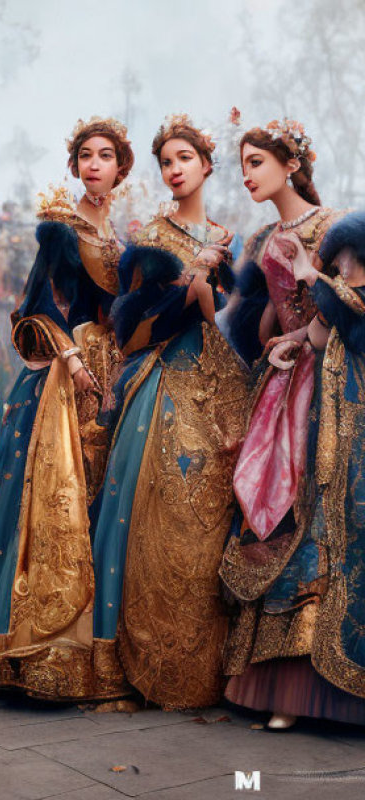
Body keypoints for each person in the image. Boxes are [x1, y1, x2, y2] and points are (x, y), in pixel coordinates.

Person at [0, 117, 134, 698]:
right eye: (85, 154)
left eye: (105, 155)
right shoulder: (61, 228)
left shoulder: (122, 237)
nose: (95, 164)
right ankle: (34, 647)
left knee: (100, 502)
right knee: (55, 500)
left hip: (113, 373)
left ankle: (97, 646)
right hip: (65, 373)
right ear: (75, 164)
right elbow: (34, 304)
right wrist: (74, 360)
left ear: (122, 168)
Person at [89, 115, 249, 711]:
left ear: (207, 166)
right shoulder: (150, 239)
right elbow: (130, 336)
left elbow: (237, 324)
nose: (175, 169)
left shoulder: (229, 237)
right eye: (166, 161)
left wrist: (217, 286)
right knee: (155, 516)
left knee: (211, 520)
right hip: (164, 387)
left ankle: (206, 670)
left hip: (223, 390)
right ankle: (138, 663)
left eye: (185, 158)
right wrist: (190, 284)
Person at [220, 120, 354, 729]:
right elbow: (268, 322)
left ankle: (321, 676)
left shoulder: (333, 228)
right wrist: (273, 345)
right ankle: (279, 684)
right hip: (285, 382)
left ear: (288, 164)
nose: (246, 173)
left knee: (317, 511)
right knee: (271, 513)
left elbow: (344, 316)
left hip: (331, 388)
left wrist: (309, 288)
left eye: (255, 161)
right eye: (241, 163)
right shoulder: (258, 240)